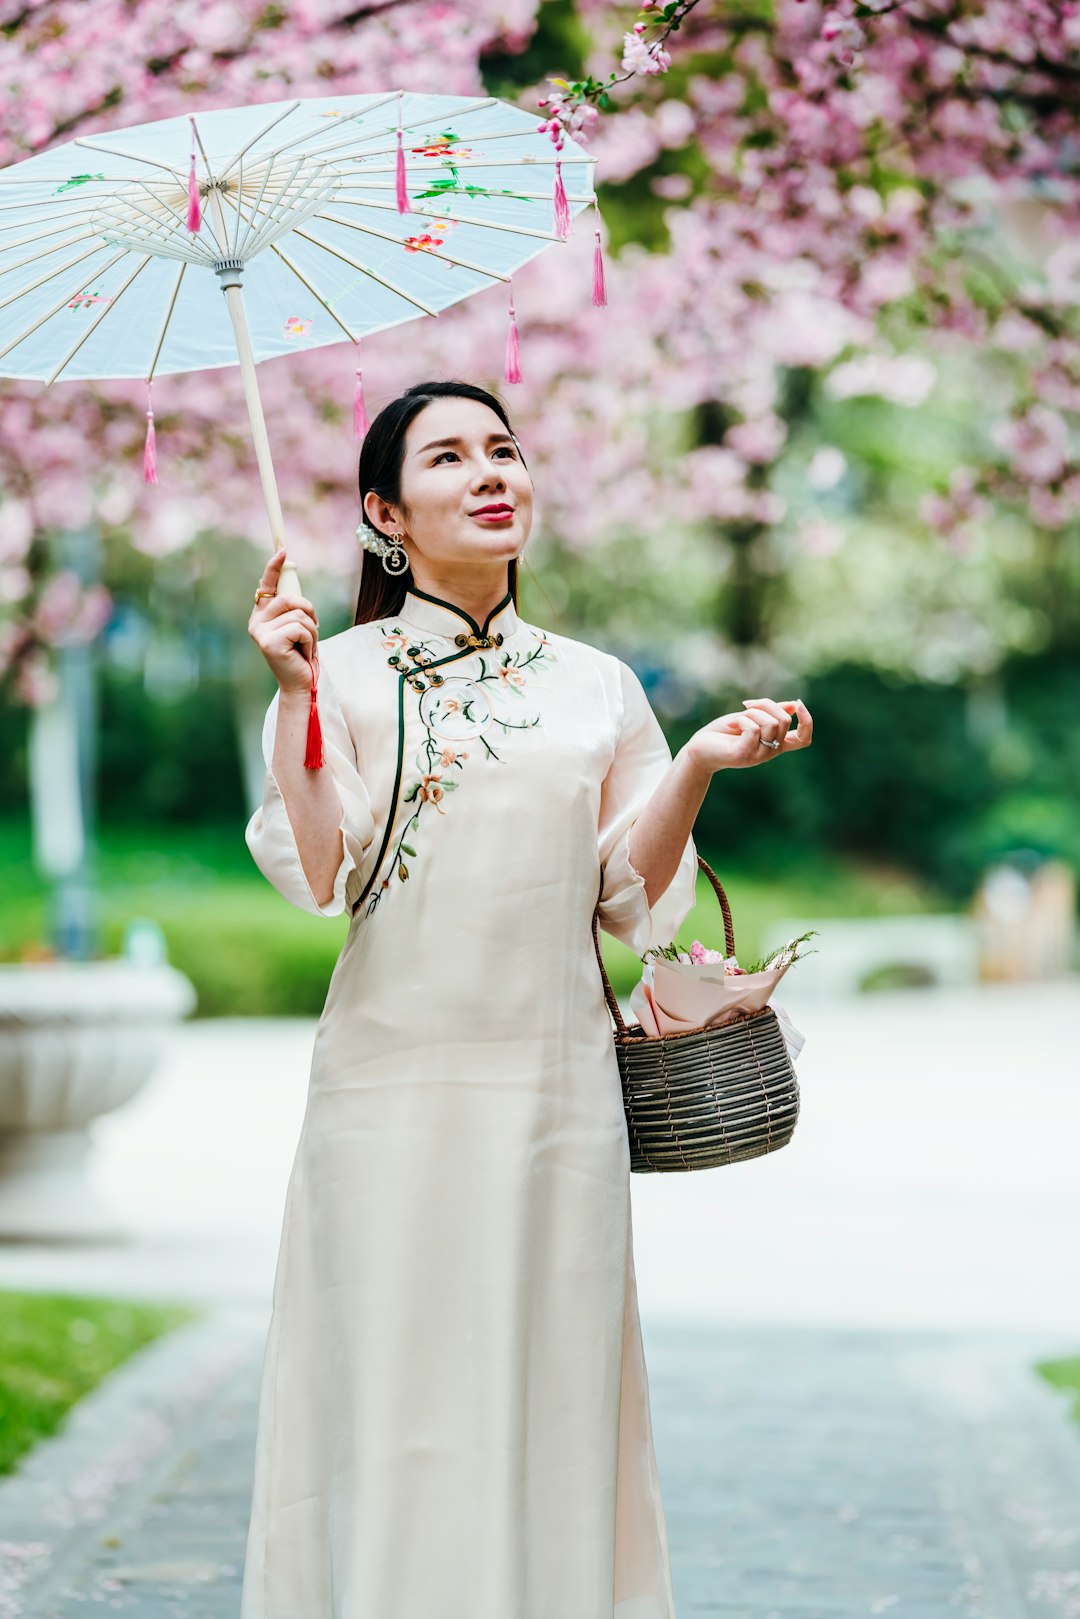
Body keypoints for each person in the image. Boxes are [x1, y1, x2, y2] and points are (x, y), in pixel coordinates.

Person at [241, 378, 812, 1619]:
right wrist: (295, 701)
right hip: (386, 1094)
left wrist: (702, 763)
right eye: (449, 458)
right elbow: (316, 873)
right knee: (395, 1407)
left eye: (503, 449)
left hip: (554, 1097)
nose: (493, 471)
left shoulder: (596, 683)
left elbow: (630, 901)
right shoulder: (331, 669)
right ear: (387, 513)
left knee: (551, 1402)